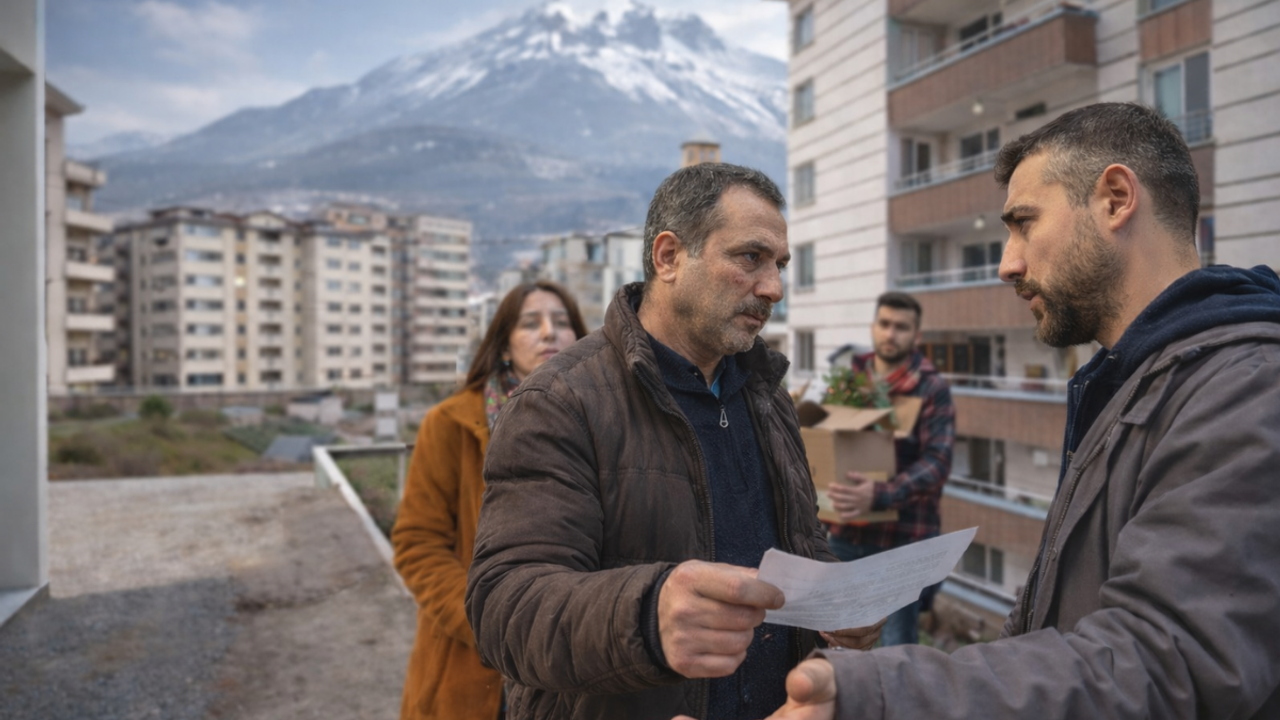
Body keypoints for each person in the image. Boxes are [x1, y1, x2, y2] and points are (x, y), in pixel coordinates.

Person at [700, 102, 1280, 719]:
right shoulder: (1133, 380)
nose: (1007, 263)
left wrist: (878, 693)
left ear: (1115, 198)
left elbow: (1171, 664)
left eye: (1024, 223)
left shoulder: (1244, 389)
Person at [465, 163, 881, 720]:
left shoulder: (766, 396)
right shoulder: (560, 402)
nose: (774, 288)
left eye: (779, 265)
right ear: (668, 257)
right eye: (749, 258)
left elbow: (795, 545)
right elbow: (504, 609)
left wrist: (836, 597)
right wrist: (647, 617)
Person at [390, 280, 588, 720]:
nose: (548, 333)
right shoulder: (449, 424)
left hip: (572, 663)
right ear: (503, 343)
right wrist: (492, 623)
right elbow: (417, 544)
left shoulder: (601, 421)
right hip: (472, 666)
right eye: (529, 324)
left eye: (561, 323)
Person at [825, 291, 954, 646]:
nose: (890, 334)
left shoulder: (931, 388)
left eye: (901, 327)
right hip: (845, 536)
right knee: (836, 641)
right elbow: (828, 443)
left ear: (917, 336)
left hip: (901, 546)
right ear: (873, 327)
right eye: (884, 324)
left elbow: (937, 463)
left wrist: (879, 494)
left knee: (894, 651)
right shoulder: (851, 380)